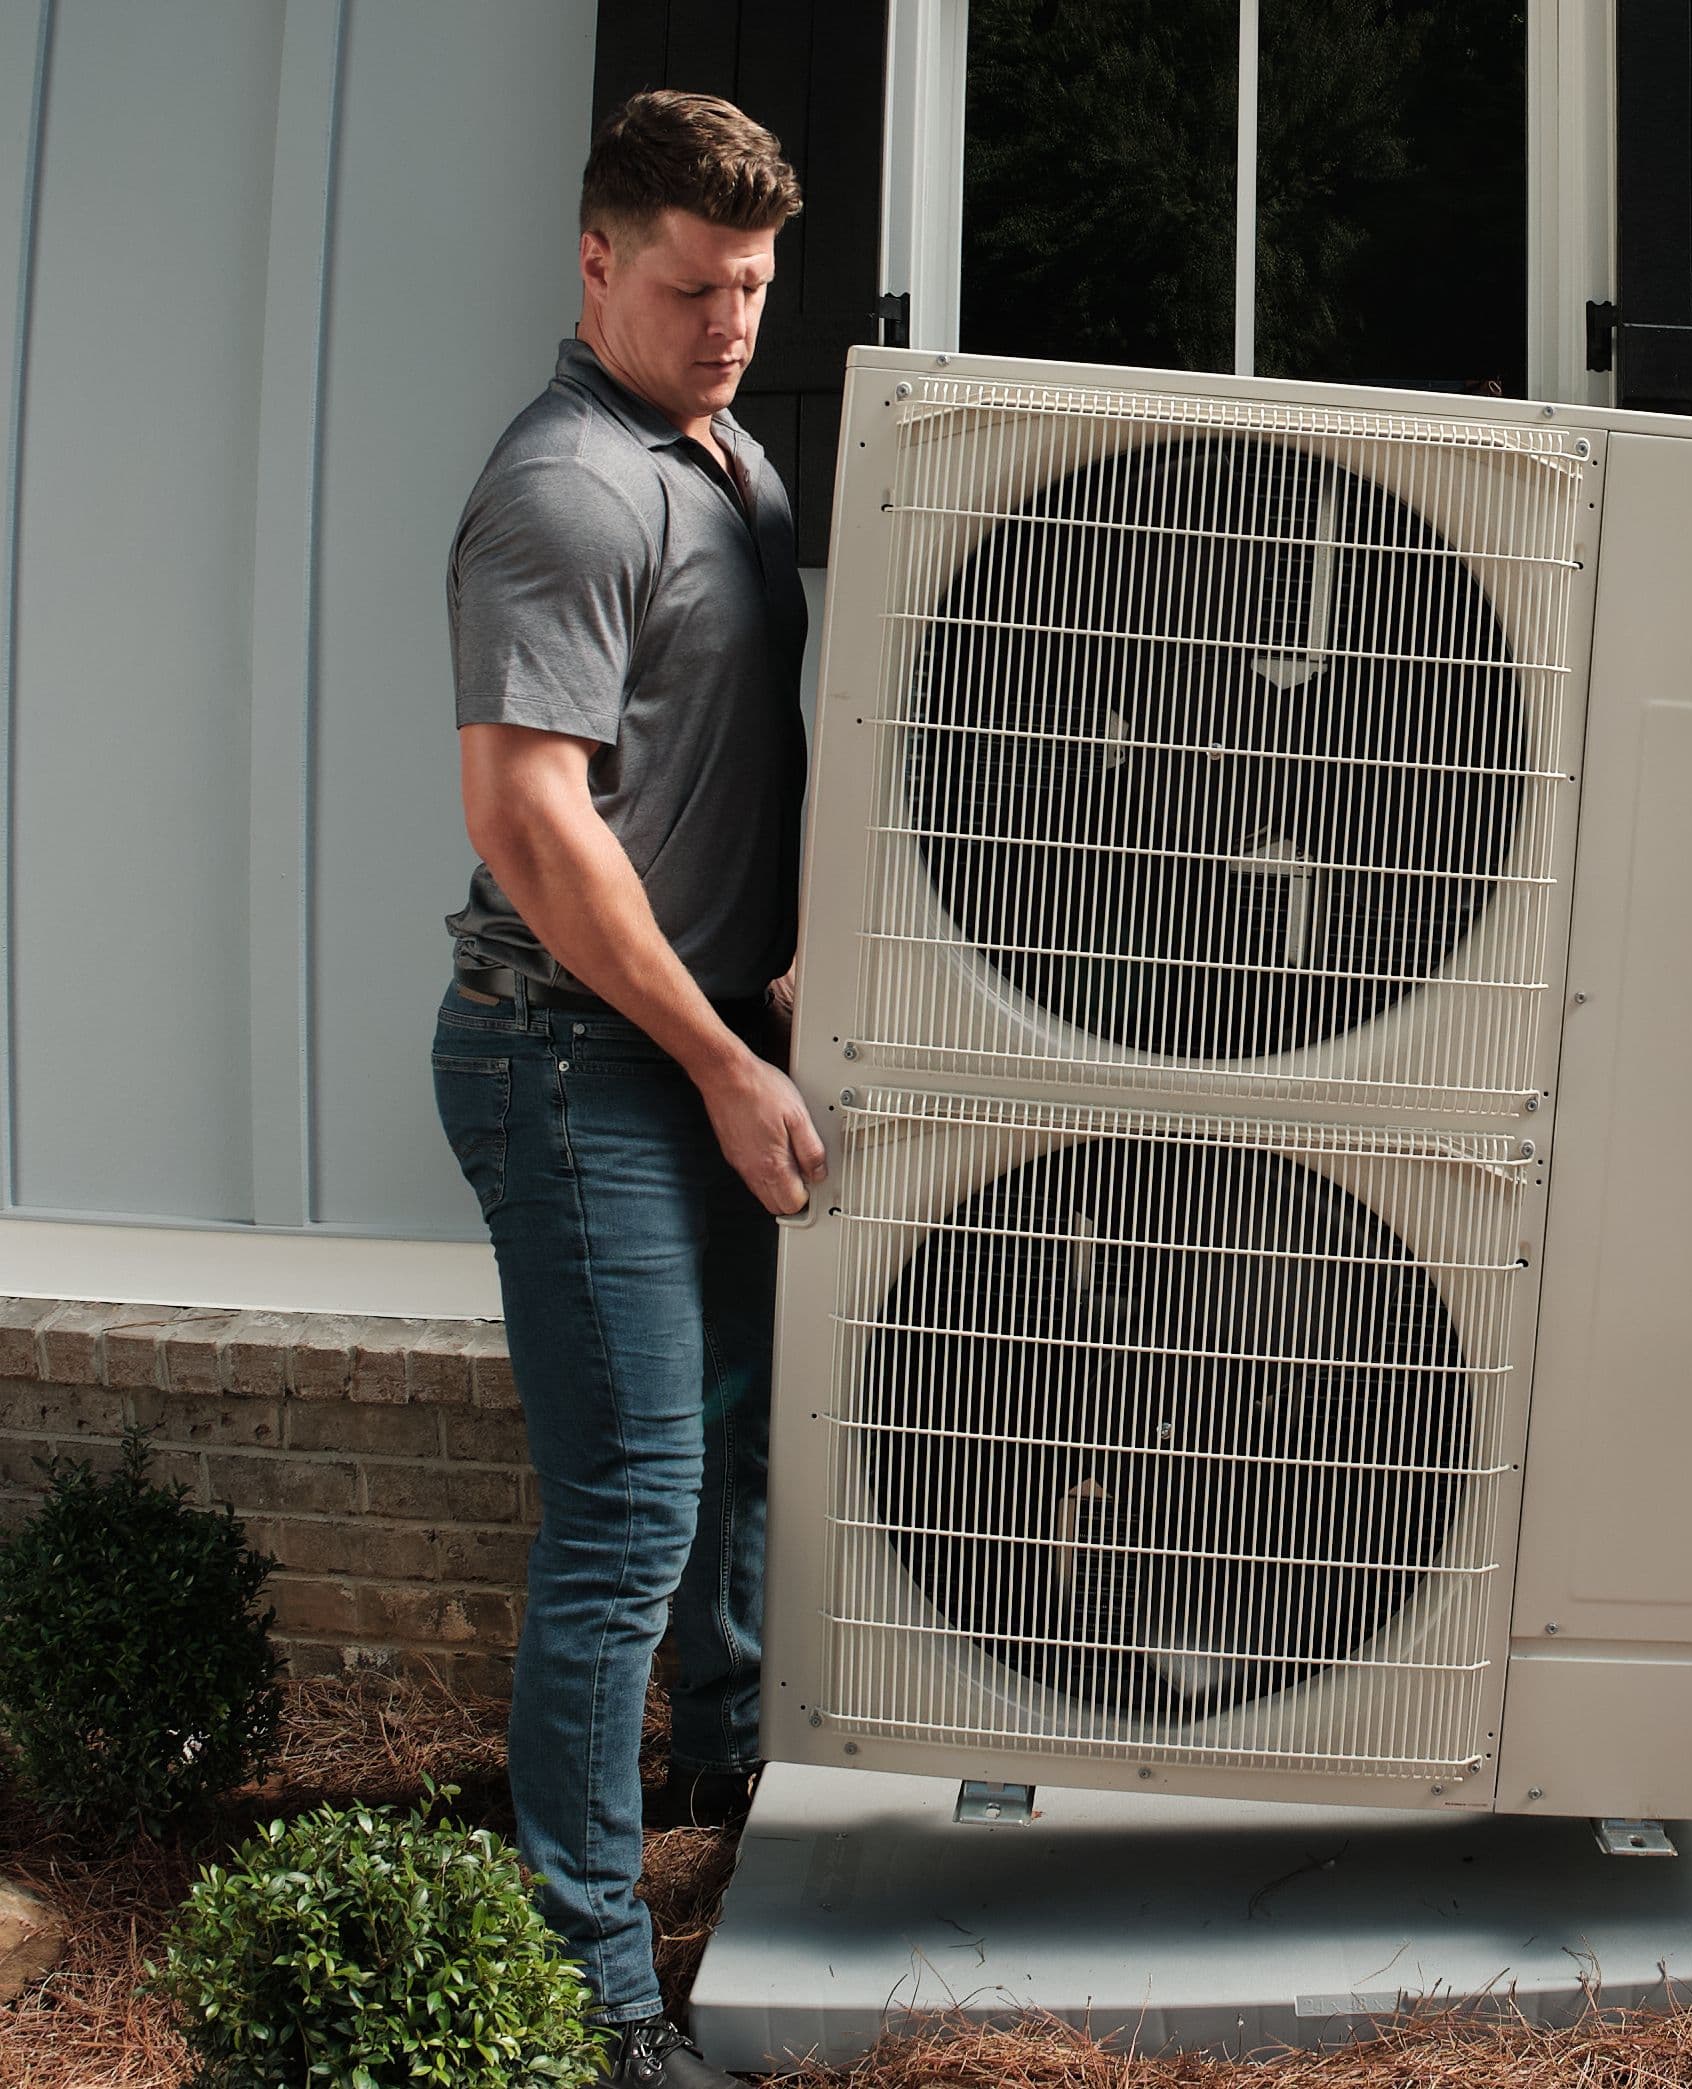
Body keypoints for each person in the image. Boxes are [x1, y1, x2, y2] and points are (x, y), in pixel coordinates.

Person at [432, 90, 824, 2089]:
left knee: (735, 1463)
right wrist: (723, 1061)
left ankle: (729, 1788)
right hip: (574, 1065)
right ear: (596, 264)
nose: (729, 319)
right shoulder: (569, 486)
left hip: (694, 1049)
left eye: (753, 284)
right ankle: (589, 1979)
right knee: (630, 1514)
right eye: (691, 286)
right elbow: (531, 820)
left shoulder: (726, 453)